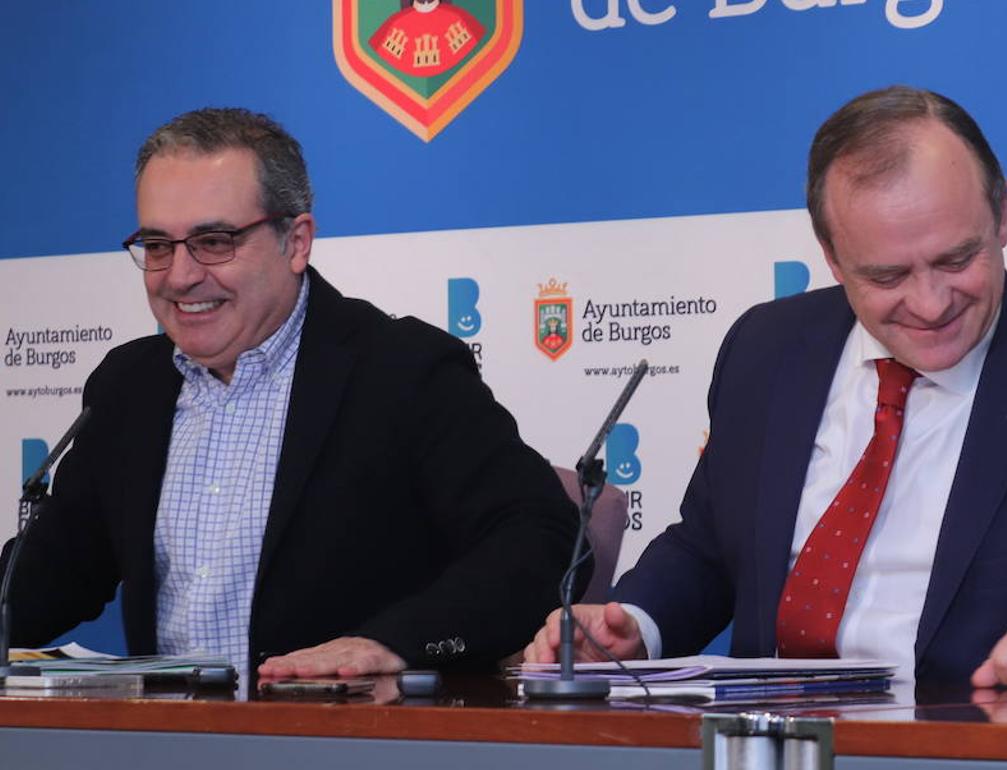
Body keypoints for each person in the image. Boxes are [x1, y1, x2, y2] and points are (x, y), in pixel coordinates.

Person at [525, 86, 1007, 687]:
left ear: (1001, 215)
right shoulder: (766, 349)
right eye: (887, 276)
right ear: (832, 257)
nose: (931, 304)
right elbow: (712, 548)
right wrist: (632, 624)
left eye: (956, 259)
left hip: (973, 750)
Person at [1, 107, 579, 678]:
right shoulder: (128, 385)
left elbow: (539, 538)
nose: (179, 276)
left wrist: (391, 645)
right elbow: (52, 573)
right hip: (167, 729)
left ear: (296, 242)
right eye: (157, 245)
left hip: (354, 727)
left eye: (214, 241)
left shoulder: (403, 370)